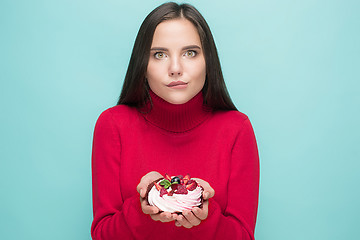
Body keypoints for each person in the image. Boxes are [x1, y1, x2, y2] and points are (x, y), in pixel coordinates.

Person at [91, 2, 259, 240]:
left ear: (208, 61)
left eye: (190, 53)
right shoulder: (112, 125)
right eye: (159, 55)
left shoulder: (237, 129)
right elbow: (101, 236)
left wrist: (203, 215)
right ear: (143, 65)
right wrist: (144, 207)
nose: (175, 68)